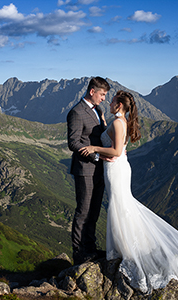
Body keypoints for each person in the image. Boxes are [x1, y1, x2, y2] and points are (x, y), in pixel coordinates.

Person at [79, 90, 178, 294]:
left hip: (116, 169)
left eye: (112, 101)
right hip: (115, 167)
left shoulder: (120, 123)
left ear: (119, 105)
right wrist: (104, 121)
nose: (109, 103)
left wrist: (94, 148)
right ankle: (125, 247)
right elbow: (115, 144)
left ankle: (129, 250)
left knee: (120, 205)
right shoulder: (119, 122)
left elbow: (116, 151)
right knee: (121, 205)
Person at [67, 76, 111, 265]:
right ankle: (79, 253)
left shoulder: (98, 110)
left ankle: (90, 248)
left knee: (94, 212)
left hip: (99, 169)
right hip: (85, 169)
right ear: (92, 91)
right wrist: (95, 156)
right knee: (83, 211)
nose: (104, 99)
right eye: (102, 94)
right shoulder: (76, 112)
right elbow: (73, 142)